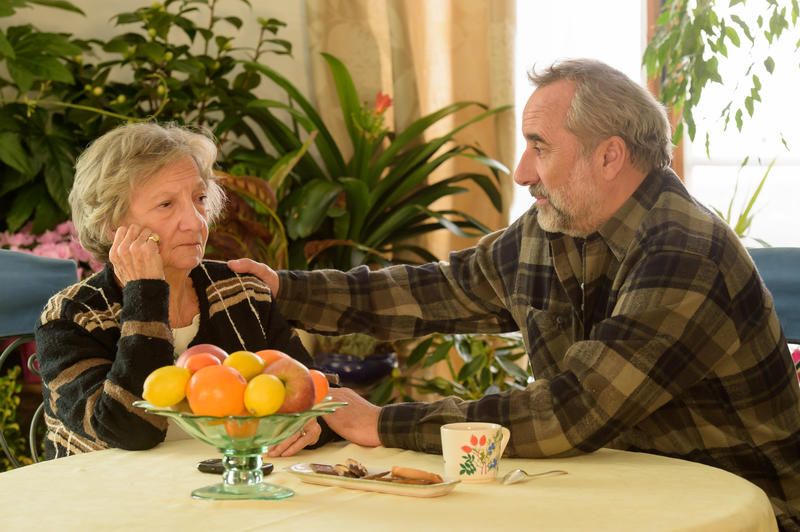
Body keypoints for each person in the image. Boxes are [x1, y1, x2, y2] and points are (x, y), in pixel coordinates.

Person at [229, 58, 800, 529]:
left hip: (739, 511)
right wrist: (281, 289)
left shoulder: (685, 250)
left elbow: (571, 412)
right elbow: (435, 290)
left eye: (540, 147)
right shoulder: (555, 227)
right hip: (614, 493)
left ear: (609, 155)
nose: (522, 172)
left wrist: (381, 423)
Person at [35, 122, 330, 460]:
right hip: (109, 501)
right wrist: (145, 292)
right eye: (166, 205)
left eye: (199, 198)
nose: (195, 222)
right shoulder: (72, 315)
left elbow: (312, 393)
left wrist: (310, 425)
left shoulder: (241, 292)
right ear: (112, 224)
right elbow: (130, 430)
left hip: (231, 493)